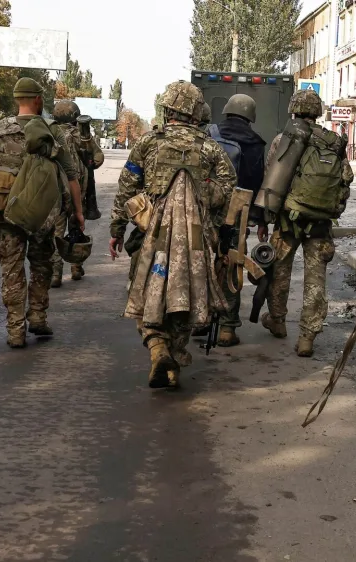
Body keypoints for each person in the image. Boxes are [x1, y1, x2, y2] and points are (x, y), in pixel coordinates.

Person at [108, 81, 237, 388]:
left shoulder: (149, 142)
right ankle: (175, 359)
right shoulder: (209, 147)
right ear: (195, 113)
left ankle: (157, 348)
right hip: (196, 240)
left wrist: (116, 228)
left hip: (149, 233)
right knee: (188, 295)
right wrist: (204, 205)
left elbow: (127, 185)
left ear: (167, 110)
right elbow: (228, 189)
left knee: (140, 290)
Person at [0, 77, 84, 348]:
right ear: (38, 100)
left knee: (11, 270)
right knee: (41, 265)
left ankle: (16, 330)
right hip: (43, 214)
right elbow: (71, 175)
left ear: (17, 99)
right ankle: (37, 316)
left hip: (6, 214)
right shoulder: (51, 130)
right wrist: (78, 213)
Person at [258, 89, 354, 357]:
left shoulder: (284, 139)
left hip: (289, 220)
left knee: (280, 273)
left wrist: (266, 220)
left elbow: (271, 180)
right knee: (315, 280)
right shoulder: (333, 142)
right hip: (321, 222)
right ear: (318, 112)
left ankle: (277, 321)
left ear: (293, 110)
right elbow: (345, 179)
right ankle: (307, 338)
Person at [211, 94, 267, 347]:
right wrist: (259, 218)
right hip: (237, 216)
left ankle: (201, 320)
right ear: (250, 116)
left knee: (203, 264)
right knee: (231, 265)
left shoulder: (211, 134)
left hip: (209, 211)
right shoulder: (255, 143)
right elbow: (257, 182)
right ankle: (227, 328)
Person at [49, 100, 87, 285]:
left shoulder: (49, 133)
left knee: (56, 231)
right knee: (76, 227)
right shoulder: (80, 135)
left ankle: (56, 273)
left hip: (54, 191)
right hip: (76, 189)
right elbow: (97, 158)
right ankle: (76, 266)